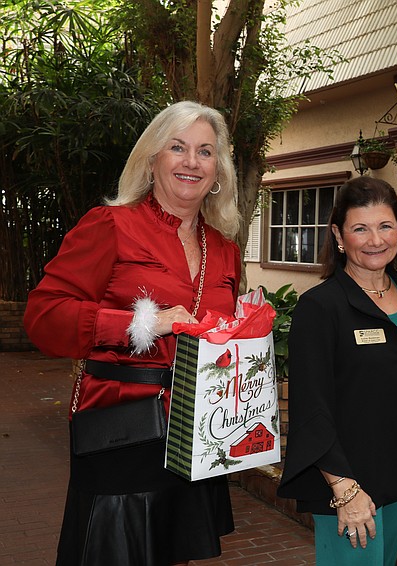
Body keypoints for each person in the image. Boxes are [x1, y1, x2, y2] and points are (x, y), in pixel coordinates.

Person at [23, 100, 241, 565]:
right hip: (122, 429)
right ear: (151, 160)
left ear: (218, 170)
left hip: (196, 434)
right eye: (177, 147)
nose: (191, 161)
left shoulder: (225, 249)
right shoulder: (111, 226)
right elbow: (43, 316)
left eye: (205, 152)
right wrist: (142, 323)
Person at [277, 177, 397, 566]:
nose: (375, 240)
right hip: (348, 483)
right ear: (338, 235)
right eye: (360, 228)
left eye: (385, 226)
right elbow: (311, 407)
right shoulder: (320, 307)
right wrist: (344, 489)